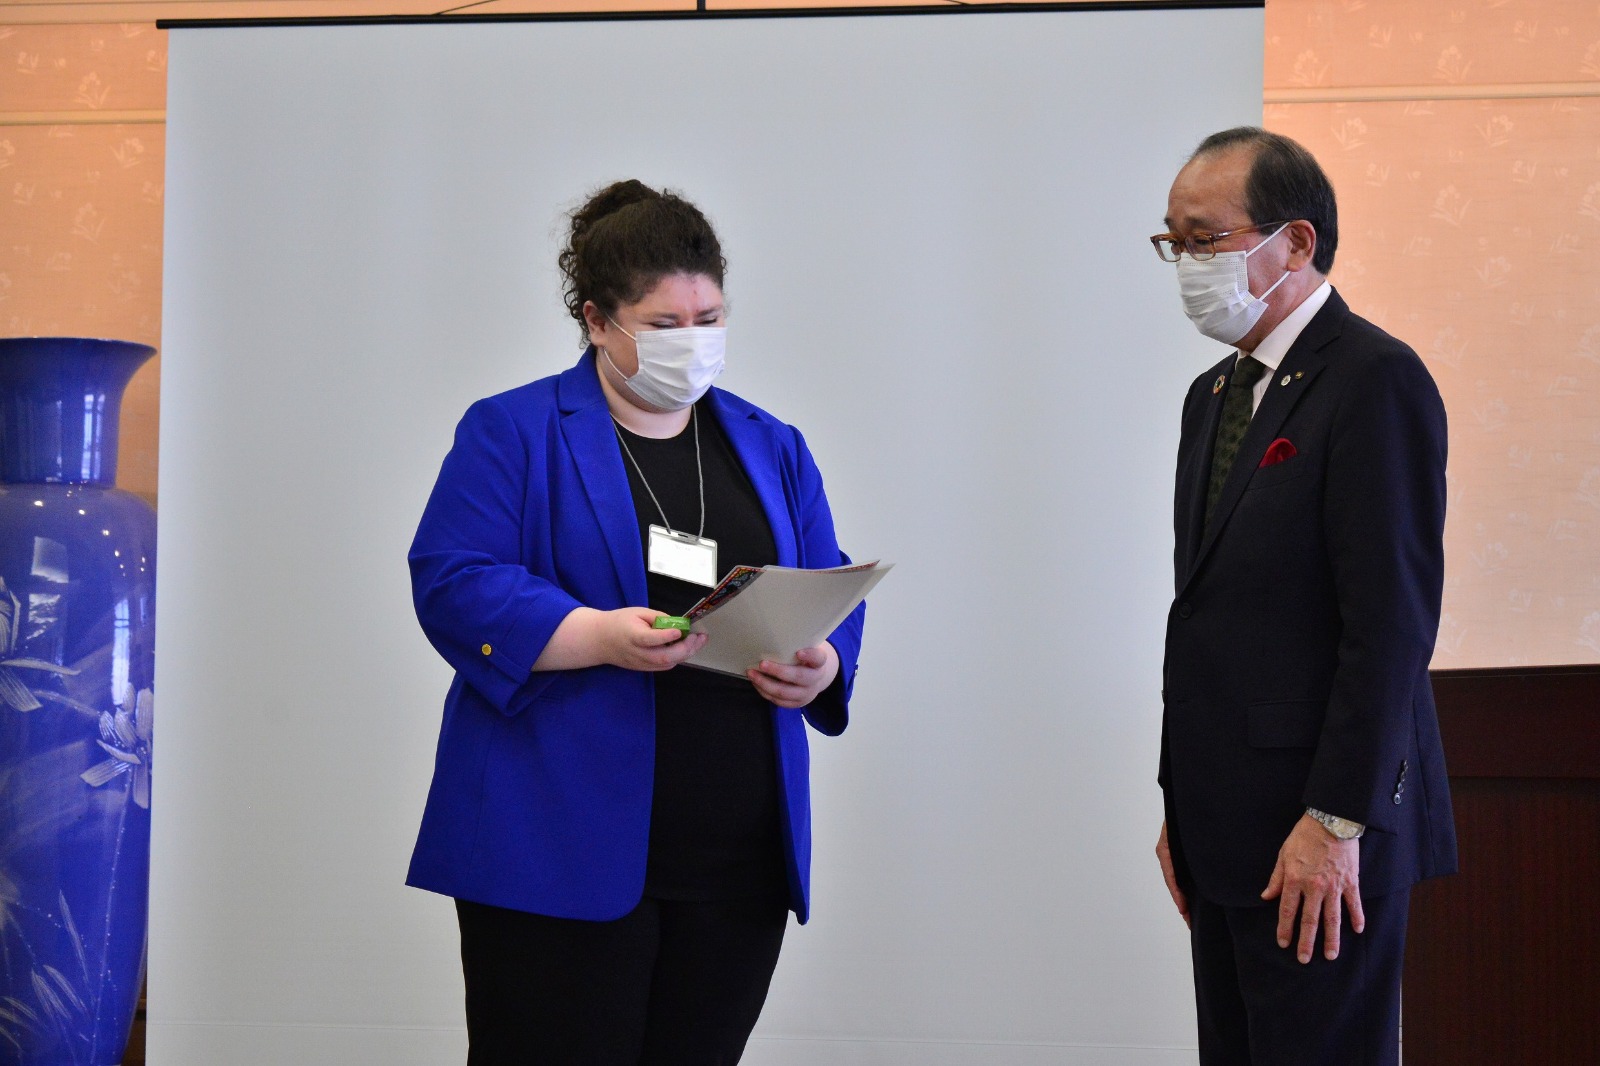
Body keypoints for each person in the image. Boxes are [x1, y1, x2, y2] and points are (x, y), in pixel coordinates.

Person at [406, 180, 865, 1064]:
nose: (694, 341)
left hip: (735, 852)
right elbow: (452, 581)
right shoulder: (513, 430)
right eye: (664, 324)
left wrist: (827, 665)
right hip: (556, 846)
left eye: (711, 316)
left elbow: (825, 589)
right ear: (597, 322)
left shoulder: (773, 444)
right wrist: (593, 634)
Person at [1151, 128, 1457, 1065]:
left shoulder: (1374, 378)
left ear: (1295, 241)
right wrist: (1185, 802)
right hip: (1225, 825)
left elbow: (1391, 628)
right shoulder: (1215, 392)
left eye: (1208, 238)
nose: (1189, 263)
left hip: (1323, 837)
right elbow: (1213, 612)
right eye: (1174, 241)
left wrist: (1335, 821)